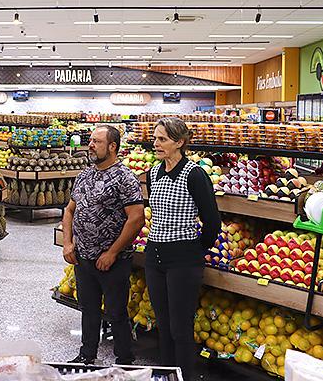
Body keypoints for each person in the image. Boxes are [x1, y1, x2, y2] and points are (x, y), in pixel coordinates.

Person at [145, 117, 221, 381]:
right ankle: (166, 374)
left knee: (180, 326)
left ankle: (184, 376)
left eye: (162, 139)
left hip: (184, 259)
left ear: (180, 142)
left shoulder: (195, 175)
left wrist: (196, 250)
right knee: (163, 323)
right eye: (155, 138)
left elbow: (212, 220)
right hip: (155, 256)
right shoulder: (152, 173)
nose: (156, 143)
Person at [62, 125, 145, 365]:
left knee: (116, 312)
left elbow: (136, 217)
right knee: (88, 308)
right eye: (90, 140)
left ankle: (125, 359)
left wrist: (112, 252)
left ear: (112, 147)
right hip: (83, 257)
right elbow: (69, 211)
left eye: (96, 141)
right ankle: (87, 355)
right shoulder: (85, 175)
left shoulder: (125, 178)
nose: (90, 145)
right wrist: (68, 243)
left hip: (113, 261)